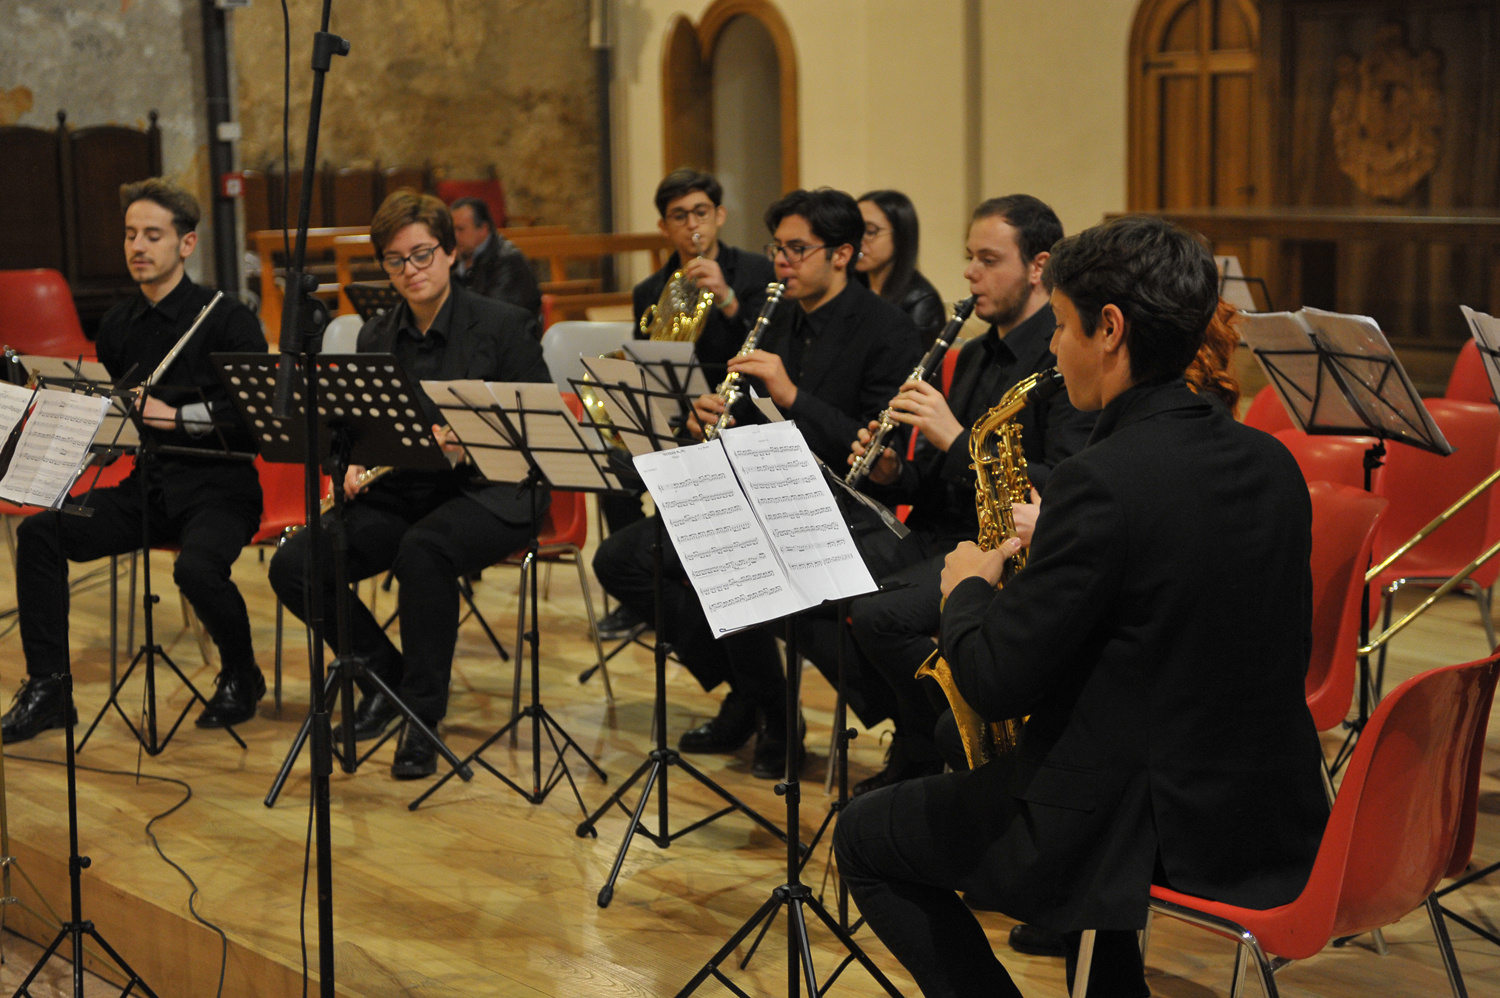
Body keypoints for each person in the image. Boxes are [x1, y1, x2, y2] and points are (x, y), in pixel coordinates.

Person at [833, 216, 1329, 998]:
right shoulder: (1271, 462)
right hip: (1265, 811)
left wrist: (965, 584)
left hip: (1130, 829)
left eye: (1061, 326)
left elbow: (995, 678)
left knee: (864, 836)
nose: (1055, 350)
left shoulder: (1102, 481)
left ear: (1110, 329)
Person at [593, 187, 921, 778]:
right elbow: (746, 414)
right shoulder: (775, 315)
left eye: (798, 249)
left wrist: (792, 395)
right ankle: (757, 695)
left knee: (732, 571)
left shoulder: (887, 331)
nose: (782, 262)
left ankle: (809, 715)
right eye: (777, 248)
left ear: (842, 254)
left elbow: (874, 456)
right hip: (753, 492)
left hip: (833, 510)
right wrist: (708, 417)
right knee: (623, 559)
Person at [798, 195, 1096, 797]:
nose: (969, 273)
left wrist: (957, 438)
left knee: (878, 616)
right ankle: (920, 729)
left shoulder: (1060, 360)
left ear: (1038, 267)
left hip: (1000, 544)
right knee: (803, 582)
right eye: (969, 258)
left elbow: (1056, 479)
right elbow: (927, 476)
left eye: (988, 259)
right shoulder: (973, 354)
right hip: (935, 529)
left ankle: (947, 750)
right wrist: (889, 472)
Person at [269, 190, 551, 780]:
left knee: (425, 550)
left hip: (493, 490)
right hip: (410, 491)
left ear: (450, 253)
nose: (411, 271)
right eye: (396, 261)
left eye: (422, 255)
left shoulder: (503, 325)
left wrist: (471, 435)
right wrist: (345, 464)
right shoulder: (377, 335)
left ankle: (422, 715)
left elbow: (536, 431)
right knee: (296, 563)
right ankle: (385, 678)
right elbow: (358, 429)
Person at [2, 178, 269, 743]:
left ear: (187, 244)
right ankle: (50, 688)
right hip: (148, 487)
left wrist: (176, 416)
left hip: (221, 488)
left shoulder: (227, 317)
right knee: (42, 534)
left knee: (195, 568)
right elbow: (121, 423)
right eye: (130, 235)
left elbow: (255, 416)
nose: (137, 247)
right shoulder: (120, 326)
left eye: (153, 234)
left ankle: (242, 675)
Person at [594, 170, 779, 640]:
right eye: (680, 216)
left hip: (744, 417)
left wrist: (730, 300)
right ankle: (648, 593)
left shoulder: (756, 273)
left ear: (719, 215)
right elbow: (648, 369)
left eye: (701, 212)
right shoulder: (649, 291)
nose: (692, 224)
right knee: (610, 468)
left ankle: (692, 582)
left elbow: (774, 352)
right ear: (664, 227)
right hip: (682, 417)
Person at [855, 190, 944, 347]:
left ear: (900, 235)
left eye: (870, 231)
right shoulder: (851, 286)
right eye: (854, 230)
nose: (858, 241)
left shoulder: (922, 300)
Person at [450, 196, 542, 321]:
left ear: (483, 229)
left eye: (460, 229)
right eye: (452, 229)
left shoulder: (508, 261)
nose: (454, 236)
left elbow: (495, 315)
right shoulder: (455, 259)